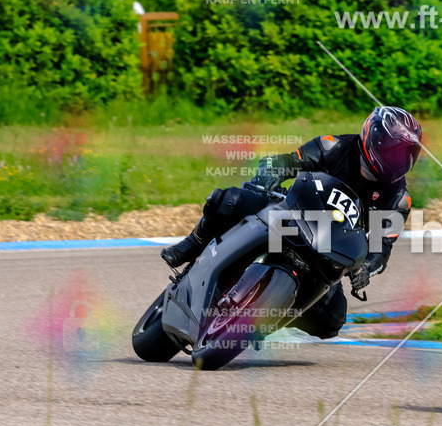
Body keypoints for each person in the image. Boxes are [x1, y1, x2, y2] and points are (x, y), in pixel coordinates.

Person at [160, 106, 422, 338]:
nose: (398, 160)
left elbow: (381, 250)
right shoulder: (335, 146)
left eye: (405, 154)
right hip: (290, 213)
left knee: (331, 321)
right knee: (229, 200)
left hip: (327, 251)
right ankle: (193, 243)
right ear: (373, 137)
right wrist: (269, 175)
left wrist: (366, 268)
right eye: (393, 151)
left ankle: (267, 312)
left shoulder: (399, 200)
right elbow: (288, 161)